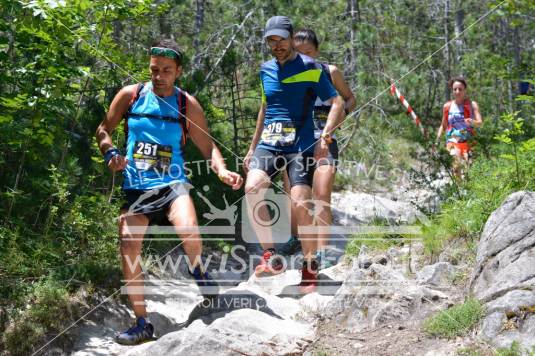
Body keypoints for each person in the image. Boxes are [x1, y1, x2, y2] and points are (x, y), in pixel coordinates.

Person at [95, 38, 243, 345]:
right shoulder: (131, 96)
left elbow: (207, 146)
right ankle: (142, 322)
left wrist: (221, 170)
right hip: (138, 187)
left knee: (189, 231)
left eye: (166, 70)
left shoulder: (186, 104)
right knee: (127, 246)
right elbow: (103, 129)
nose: (158, 76)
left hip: (173, 185)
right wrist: (110, 153)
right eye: (154, 69)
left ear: (178, 72)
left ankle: (199, 272)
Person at [243, 16, 344, 294]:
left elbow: (337, 101)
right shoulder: (265, 70)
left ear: (290, 38)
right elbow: (265, 108)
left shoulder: (311, 67)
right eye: (270, 40)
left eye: (281, 39)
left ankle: (310, 268)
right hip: (269, 142)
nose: (276, 45)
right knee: (252, 187)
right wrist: (252, 147)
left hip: (299, 144)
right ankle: (270, 257)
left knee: (301, 203)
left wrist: (326, 134)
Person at [279, 29, 356, 269]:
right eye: (299, 54)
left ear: (317, 51)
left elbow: (350, 99)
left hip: (325, 142)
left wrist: (335, 123)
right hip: (294, 143)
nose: (304, 59)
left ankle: (322, 250)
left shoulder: (329, 72)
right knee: (292, 193)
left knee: (322, 191)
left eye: (309, 53)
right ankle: (295, 238)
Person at [436, 77, 483, 178]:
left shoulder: (472, 105)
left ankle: (469, 190)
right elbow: (443, 125)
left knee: (469, 169)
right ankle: (459, 190)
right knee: (456, 166)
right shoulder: (447, 106)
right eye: (455, 89)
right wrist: (437, 139)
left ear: (465, 90)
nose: (457, 91)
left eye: (460, 89)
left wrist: (472, 122)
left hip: (469, 141)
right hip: (453, 140)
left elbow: (480, 123)